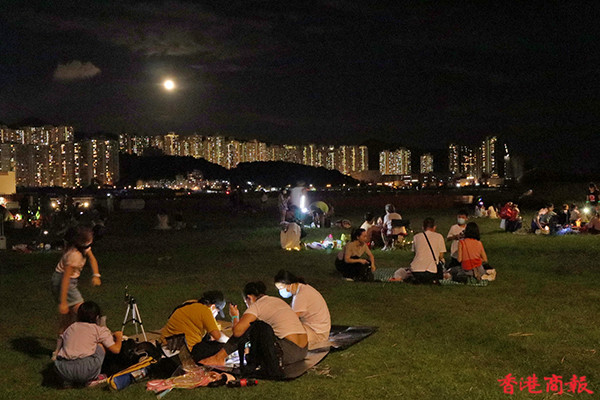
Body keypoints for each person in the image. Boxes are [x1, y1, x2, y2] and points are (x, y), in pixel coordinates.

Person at [199, 281, 308, 375]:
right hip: (303, 351)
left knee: (250, 327)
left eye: (246, 302)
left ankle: (219, 358)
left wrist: (235, 317)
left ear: (249, 298)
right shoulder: (277, 301)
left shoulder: (257, 305)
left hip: (287, 353)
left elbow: (238, 332)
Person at [51, 226, 101, 358]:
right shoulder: (74, 255)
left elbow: (92, 259)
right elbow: (65, 279)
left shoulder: (83, 248)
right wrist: (63, 302)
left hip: (69, 282)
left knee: (67, 320)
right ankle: (88, 345)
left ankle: (58, 351)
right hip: (63, 282)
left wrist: (96, 275)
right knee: (85, 313)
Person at [54, 301, 122, 387]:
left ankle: (68, 381)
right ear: (97, 317)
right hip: (85, 369)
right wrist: (119, 337)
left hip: (63, 368)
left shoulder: (70, 327)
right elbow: (116, 350)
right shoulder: (98, 330)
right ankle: (92, 379)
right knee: (100, 346)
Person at [159, 291, 228, 362]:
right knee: (222, 348)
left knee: (208, 338)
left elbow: (215, 329)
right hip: (183, 351)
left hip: (167, 346)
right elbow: (218, 336)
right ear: (213, 307)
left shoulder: (190, 303)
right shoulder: (205, 310)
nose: (216, 314)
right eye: (217, 311)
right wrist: (230, 343)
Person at [274, 270, 331, 350]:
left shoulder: (301, 296)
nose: (281, 291)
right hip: (318, 330)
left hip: (318, 335)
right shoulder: (302, 289)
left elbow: (291, 319)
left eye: (281, 288)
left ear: (290, 284)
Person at [409, 217, 446, 284]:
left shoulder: (416, 237)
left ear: (423, 227)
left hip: (416, 271)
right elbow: (441, 256)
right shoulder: (439, 237)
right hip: (431, 271)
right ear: (434, 227)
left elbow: (415, 253)